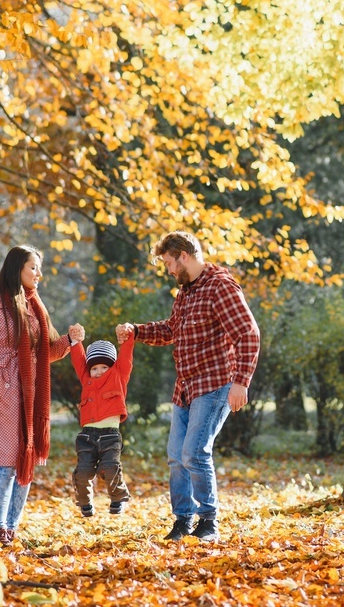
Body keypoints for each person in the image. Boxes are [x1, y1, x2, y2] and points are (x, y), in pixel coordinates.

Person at [117, 231, 260, 543]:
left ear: (183, 255)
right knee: (175, 456)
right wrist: (136, 331)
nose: (168, 270)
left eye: (169, 262)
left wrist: (241, 382)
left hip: (215, 383)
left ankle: (209, 522)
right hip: (185, 388)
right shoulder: (185, 292)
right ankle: (183, 521)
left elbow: (248, 333)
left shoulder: (219, 286)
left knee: (194, 452)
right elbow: (171, 330)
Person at [0, 244, 71, 543]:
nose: (39, 274)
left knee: (27, 459)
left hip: (30, 392)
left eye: (38, 268)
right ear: (17, 269)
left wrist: (70, 341)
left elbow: (45, 352)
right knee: (7, 461)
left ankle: (11, 526)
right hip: (0, 393)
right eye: (33, 267)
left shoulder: (35, 305)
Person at [66, 322, 134, 517]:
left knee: (109, 468)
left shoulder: (118, 376)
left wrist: (127, 339)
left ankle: (118, 497)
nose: (99, 371)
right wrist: (76, 341)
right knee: (83, 472)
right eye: (94, 368)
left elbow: (125, 358)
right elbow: (79, 359)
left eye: (104, 366)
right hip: (87, 436)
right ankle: (84, 503)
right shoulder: (86, 379)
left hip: (110, 436)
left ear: (112, 367)